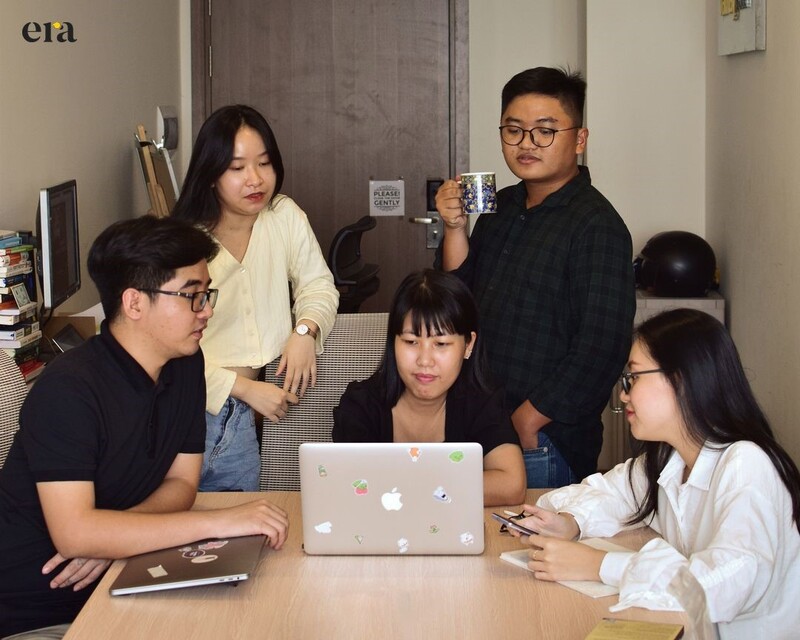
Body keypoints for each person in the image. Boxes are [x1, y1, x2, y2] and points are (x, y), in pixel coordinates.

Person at [0, 216, 289, 638]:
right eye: (192, 296)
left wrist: (118, 540)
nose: (207, 310)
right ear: (134, 303)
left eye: (206, 294)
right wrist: (223, 521)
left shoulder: (186, 365)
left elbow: (182, 484)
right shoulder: (69, 389)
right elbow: (75, 534)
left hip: (122, 582)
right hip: (37, 613)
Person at [512, 308, 800, 639]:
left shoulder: (746, 464)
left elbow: (722, 585)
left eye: (633, 378)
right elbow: (610, 493)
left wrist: (599, 565)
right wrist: (571, 522)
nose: (623, 393)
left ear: (680, 380)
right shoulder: (669, 459)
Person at [435, 67, 635, 488]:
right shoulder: (502, 206)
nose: (527, 144)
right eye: (514, 130)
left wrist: (528, 419)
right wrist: (455, 227)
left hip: (543, 438)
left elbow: (601, 347)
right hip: (479, 420)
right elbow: (455, 297)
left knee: (527, 550)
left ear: (579, 139)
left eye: (544, 131)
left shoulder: (597, 226)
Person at [172, 104, 339, 491]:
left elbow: (318, 284)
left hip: (271, 405)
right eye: (236, 168)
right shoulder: (184, 243)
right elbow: (166, 353)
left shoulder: (284, 215)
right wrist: (244, 389)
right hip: (203, 412)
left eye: (264, 163)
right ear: (210, 174)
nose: (255, 179)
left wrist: (305, 331)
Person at [332, 269, 526, 507]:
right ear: (393, 342)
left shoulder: (482, 401)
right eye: (411, 342)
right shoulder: (361, 405)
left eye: (441, 344)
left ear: (468, 345)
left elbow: (511, 485)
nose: (425, 360)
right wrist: (441, 488)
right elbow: (350, 487)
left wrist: (407, 487)